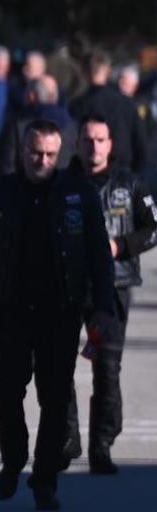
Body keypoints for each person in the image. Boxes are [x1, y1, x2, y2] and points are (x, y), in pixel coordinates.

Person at [0, 120, 116, 510]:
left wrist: (102, 307)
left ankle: (44, 478)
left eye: (49, 155)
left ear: (59, 154)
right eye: (34, 153)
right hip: (12, 309)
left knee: (56, 396)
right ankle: (13, 460)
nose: (41, 161)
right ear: (22, 152)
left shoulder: (78, 194)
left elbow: (99, 254)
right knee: (5, 392)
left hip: (61, 310)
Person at [62, 117, 156, 474]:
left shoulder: (129, 183)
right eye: (88, 140)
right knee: (59, 366)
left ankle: (102, 443)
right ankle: (66, 435)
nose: (94, 147)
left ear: (111, 144)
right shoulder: (63, 184)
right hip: (68, 285)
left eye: (100, 140)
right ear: (78, 145)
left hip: (113, 287)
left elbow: (153, 227)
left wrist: (121, 246)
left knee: (107, 367)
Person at [71, 52, 147, 172]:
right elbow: (141, 144)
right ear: (107, 71)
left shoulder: (78, 105)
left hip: (90, 172)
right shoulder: (126, 103)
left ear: (83, 72)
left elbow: (72, 142)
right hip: (124, 171)